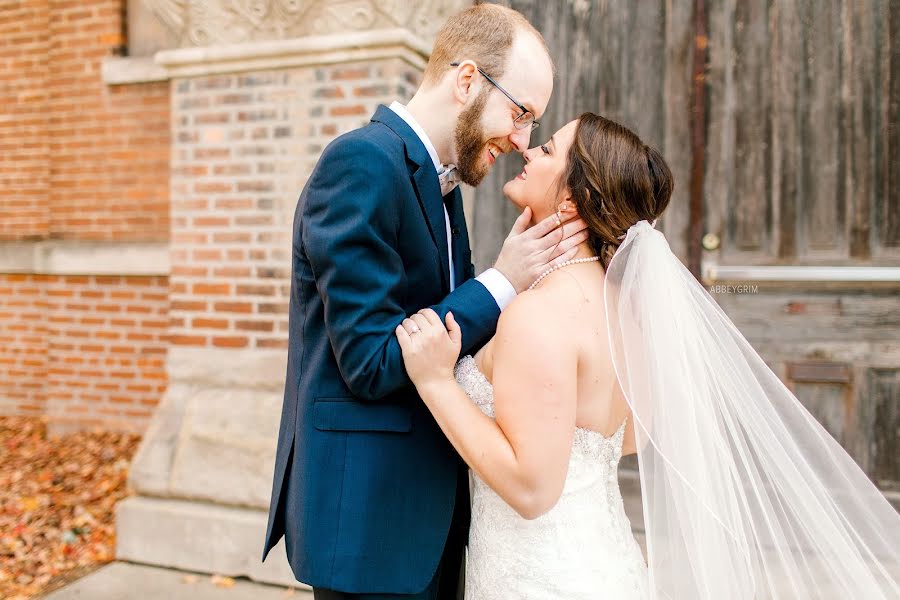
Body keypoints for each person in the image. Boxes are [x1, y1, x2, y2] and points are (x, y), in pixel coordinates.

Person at [396, 113, 900, 599]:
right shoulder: (624, 312)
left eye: (547, 149)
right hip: (606, 561)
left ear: (572, 201)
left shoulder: (540, 315)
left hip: (543, 581)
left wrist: (438, 382)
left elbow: (532, 492)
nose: (528, 148)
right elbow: (627, 436)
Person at [261, 5, 590, 599]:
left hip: (432, 519)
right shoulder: (361, 163)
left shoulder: (441, 185)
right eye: (521, 114)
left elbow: (453, 340)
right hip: (369, 526)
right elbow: (369, 362)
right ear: (467, 81)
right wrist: (501, 282)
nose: (522, 142)